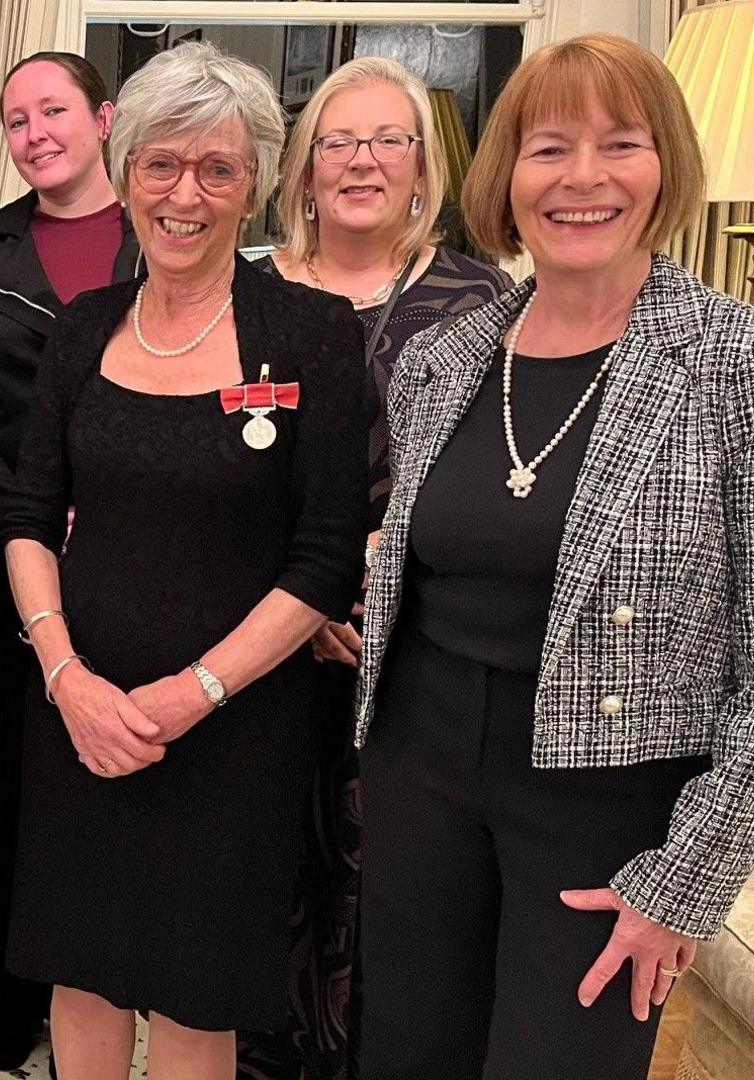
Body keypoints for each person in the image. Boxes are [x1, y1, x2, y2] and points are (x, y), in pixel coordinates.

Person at [353, 32, 754, 1079]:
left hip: (610, 811)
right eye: (548, 148)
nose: (583, 178)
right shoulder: (443, 358)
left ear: (669, 170)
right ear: (506, 177)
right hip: (418, 774)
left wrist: (685, 882)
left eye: (621, 144)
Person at [1, 41, 370, 1080]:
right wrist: (66, 676)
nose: (185, 194)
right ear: (124, 176)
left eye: (218, 168)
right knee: (81, 969)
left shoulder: (312, 335)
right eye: (161, 164)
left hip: (234, 724)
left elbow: (324, 558)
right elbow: (29, 518)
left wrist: (193, 694)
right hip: (79, 712)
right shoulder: (82, 332)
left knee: (196, 988)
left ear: (255, 186)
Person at [248, 56, 510, 1079]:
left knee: (395, 891)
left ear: (421, 168)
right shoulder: (248, 291)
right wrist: (298, 593)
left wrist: (373, 570)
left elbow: (501, 473)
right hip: (258, 638)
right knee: (264, 883)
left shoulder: (486, 301)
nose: (362, 161)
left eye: (387, 140)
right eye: (338, 142)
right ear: (304, 171)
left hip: (415, 651)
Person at [0, 50, 140, 1070]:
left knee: (114, 780)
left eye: (53, 111)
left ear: (104, 117)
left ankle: (115, 986)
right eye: (15, 120)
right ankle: (1, 1004)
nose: (35, 132)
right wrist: (25, 514)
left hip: (138, 547)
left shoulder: (165, 234)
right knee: (1, 777)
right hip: (2, 547)